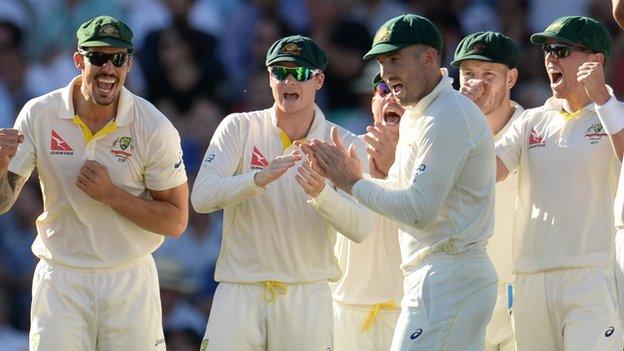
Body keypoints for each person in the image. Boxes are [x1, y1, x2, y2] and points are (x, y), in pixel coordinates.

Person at [302, 14, 498, 350]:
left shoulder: (446, 115)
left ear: (429, 59)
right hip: (440, 274)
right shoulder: (420, 117)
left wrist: (350, 182)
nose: (386, 73)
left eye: (394, 59)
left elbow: (418, 211)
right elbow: (401, 194)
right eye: (381, 62)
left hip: (449, 274)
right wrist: (359, 178)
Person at [0, 15, 189, 350]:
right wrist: (1, 168)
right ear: (78, 61)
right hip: (61, 277)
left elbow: (176, 220)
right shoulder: (39, 114)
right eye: (98, 57)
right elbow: (2, 203)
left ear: (129, 63)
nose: (108, 69)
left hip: (128, 279)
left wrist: (111, 195)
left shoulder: (154, 127)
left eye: (118, 59)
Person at [190, 35, 371, 351]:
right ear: (269, 77)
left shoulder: (346, 143)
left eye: (300, 73)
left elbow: (361, 228)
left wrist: (321, 194)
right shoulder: (239, 127)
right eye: (279, 72)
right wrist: (257, 179)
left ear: (319, 80)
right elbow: (201, 198)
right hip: (240, 290)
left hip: (307, 294)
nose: (289, 80)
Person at [495, 16, 624, 350]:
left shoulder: (617, 114)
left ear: (595, 61)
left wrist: (602, 100)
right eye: (547, 50)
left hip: (593, 277)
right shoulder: (531, 120)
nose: (550, 57)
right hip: (530, 278)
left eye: (561, 50)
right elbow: (488, 171)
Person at [451, 31, 524, 351]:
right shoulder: (443, 135)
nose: (477, 85)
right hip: (464, 293)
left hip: (520, 293)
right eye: (468, 74)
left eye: (488, 75)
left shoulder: (533, 127)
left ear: (511, 78)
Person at [331, 73, 404, 351]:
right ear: (373, 102)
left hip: (408, 309)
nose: (390, 97)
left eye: (399, 90)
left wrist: (393, 168)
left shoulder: (431, 155)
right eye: (383, 90)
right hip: (347, 307)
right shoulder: (344, 150)